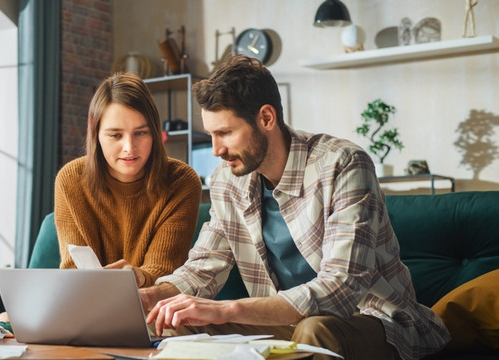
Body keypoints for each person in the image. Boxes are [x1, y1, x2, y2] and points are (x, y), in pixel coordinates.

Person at [140, 55, 450, 360]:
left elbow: (341, 288)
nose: (217, 149)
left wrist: (227, 308)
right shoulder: (227, 180)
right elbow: (203, 267)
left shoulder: (343, 164)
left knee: (316, 332)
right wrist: (152, 297)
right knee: (171, 324)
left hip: (373, 321)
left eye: (226, 133)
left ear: (266, 118)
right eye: (211, 135)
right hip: (283, 323)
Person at [54, 72, 202, 287]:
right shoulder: (71, 179)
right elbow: (74, 270)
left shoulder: (182, 181)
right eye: (115, 135)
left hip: (153, 306)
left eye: (141, 133)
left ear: (155, 133)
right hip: (87, 302)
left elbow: (163, 270)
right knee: (6, 318)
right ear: (96, 136)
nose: (129, 147)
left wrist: (138, 276)